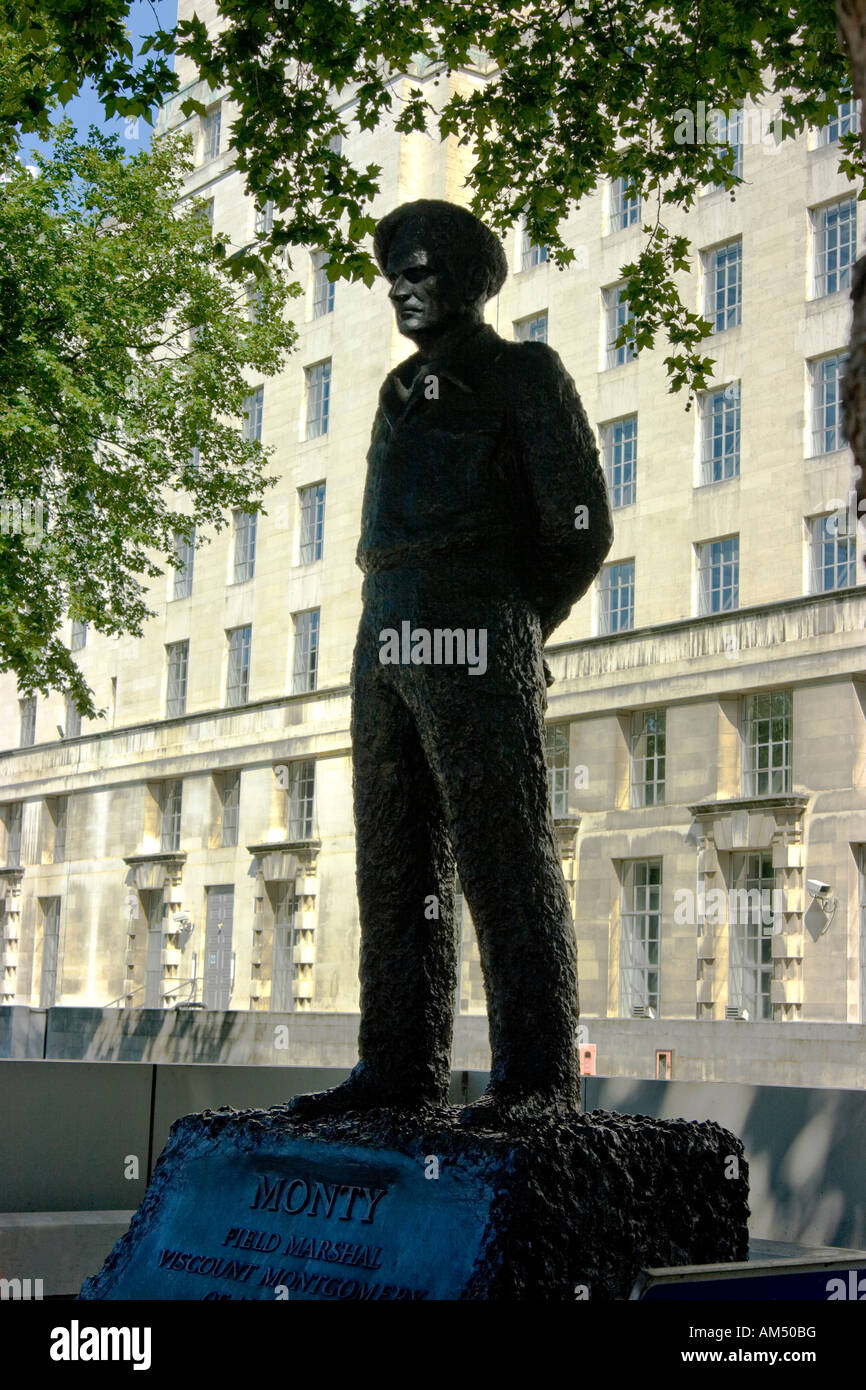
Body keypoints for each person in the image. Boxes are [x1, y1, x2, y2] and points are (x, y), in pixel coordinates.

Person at [288, 199, 613, 1128]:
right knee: (394, 862)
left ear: (472, 278)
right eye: (393, 274)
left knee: (501, 854)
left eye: (421, 269)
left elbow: (581, 528)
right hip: (382, 623)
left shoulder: (522, 375)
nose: (401, 288)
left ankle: (538, 1079)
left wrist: (511, 626)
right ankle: (396, 1070)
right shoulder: (396, 391)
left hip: (476, 627)